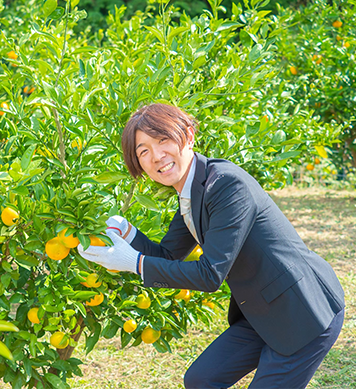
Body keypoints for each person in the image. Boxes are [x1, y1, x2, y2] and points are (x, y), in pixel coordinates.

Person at [77, 103, 345, 388]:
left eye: (163, 140)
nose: (156, 156)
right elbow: (168, 254)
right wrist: (127, 231)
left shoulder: (226, 185)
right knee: (201, 379)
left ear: (189, 135)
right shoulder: (192, 192)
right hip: (263, 311)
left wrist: (134, 263)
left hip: (303, 311)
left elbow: (210, 275)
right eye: (143, 151)